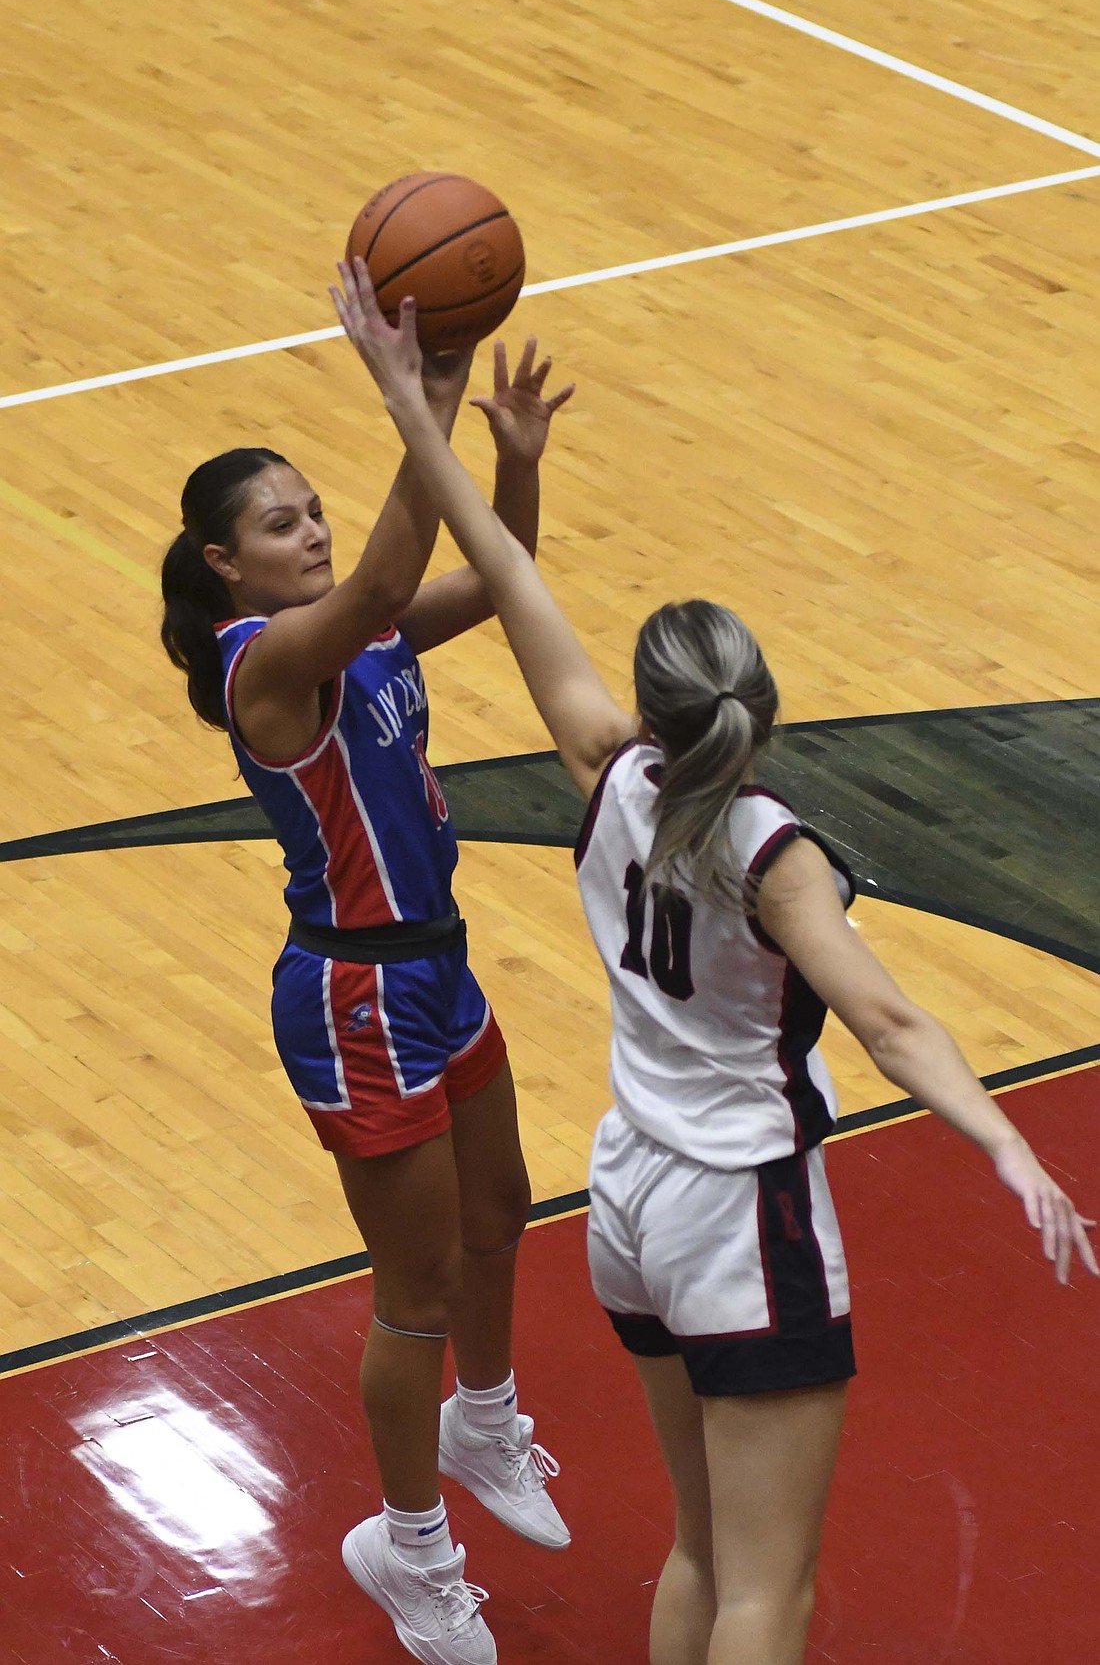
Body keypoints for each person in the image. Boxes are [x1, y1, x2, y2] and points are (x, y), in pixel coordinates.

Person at [329, 257, 1100, 1665]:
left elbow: (504, 574)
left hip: (628, 1196)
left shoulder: (609, 773)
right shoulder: (772, 849)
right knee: (768, 1588)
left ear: (660, 703)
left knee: (701, 1549)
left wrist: (419, 407)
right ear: (762, 708)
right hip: (744, 1211)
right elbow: (885, 1018)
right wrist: (1006, 1144)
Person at [160, 320, 576, 1665]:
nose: (314, 532)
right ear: (227, 563)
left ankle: (486, 1420)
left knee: (505, 1207)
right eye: (281, 525)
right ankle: (407, 1550)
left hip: (434, 964)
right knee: (420, 1288)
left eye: (315, 510)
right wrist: (425, 400)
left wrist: (511, 467)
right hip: (352, 998)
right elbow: (397, 573)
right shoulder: (263, 664)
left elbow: (500, 580)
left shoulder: (365, 637)